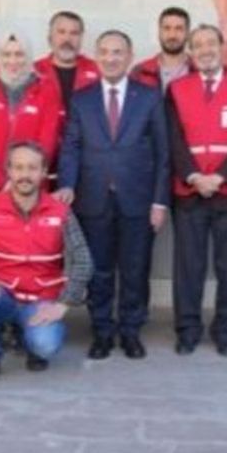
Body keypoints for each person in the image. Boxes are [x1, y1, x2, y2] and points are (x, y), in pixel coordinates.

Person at [55, 30, 170, 360]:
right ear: (96, 56)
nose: (111, 58)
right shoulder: (82, 99)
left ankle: (131, 331)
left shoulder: (149, 97)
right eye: (104, 52)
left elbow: (163, 153)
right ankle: (102, 331)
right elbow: (71, 147)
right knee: (99, 270)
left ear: (129, 57)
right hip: (93, 199)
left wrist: (159, 201)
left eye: (118, 52)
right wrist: (67, 185)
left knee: (135, 270)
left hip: (139, 200)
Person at [0, 142, 92, 386]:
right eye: (18, 168)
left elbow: (83, 260)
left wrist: (62, 305)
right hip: (3, 295)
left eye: (32, 168)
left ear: (44, 173)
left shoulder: (61, 212)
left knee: (45, 346)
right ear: (9, 171)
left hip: (41, 298)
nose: (25, 175)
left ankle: (27, 338)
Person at [165, 24, 227, 357]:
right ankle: (187, 330)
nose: (205, 50)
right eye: (198, 45)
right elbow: (173, 138)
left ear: (223, 48)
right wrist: (194, 176)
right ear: (190, 52)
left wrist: (221, 177)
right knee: (188, 268)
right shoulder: (177, 89)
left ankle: (226, 331)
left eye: (211, 43)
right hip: (189, 191)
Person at [0, 30, 63, 207]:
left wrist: (21, 182)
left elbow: (47, 143)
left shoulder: (47, 92)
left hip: (30, 194)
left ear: (29, 56)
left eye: (19, 54)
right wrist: (1, 183)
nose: (13, 61)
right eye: (7, 54)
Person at [35, 10, 99, 107]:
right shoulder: (34, 72)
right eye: (61, 32)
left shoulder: (98, 70)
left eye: (74, 33)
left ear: (81, 38)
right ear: (50, 37)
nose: (67, 39)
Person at [131, 7, 193, 93]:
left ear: (188, 33)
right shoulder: (140, 71)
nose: (172, 35)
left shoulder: (199, 70)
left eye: (179, 28)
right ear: (159, 32)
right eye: (167, 28)